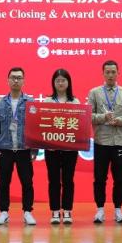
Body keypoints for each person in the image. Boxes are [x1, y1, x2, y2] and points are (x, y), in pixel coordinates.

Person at [87, 60, 122, 224]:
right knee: (99, 178)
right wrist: (103, 117)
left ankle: (118, 209)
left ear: (118, 73)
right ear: (103, 73)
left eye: (113, 72)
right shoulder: (94, 93)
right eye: (107, 72)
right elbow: (88, 115)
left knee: (119, 178)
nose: (110, 75)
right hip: (101, 141)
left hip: (119, 141)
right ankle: (100, 209)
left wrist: (120, 120)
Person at [0, 67, 36, 226]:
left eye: (19, 78)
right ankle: (3, 212)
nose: (16, 80)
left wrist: (34, 149)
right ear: (8, 80)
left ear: (24, 81)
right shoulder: (0, 104)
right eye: (13, 77)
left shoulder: (31, 103)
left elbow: (35, 127)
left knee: (27, 182)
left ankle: (27, 212)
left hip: (24, 150)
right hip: (5, 149)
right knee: (3, 183)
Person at [44, 68, 79, 225]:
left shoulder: (75, 102)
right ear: (53, 83)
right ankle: (55, 210)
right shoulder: (47, 101)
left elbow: (79, 126)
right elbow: (43, 125)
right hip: (51, 148)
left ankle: (67, 210)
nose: (60, 83)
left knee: (68, 180)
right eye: (57, 80)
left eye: (63, 80)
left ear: (68, 82)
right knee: (53, 180)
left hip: (70, 148)